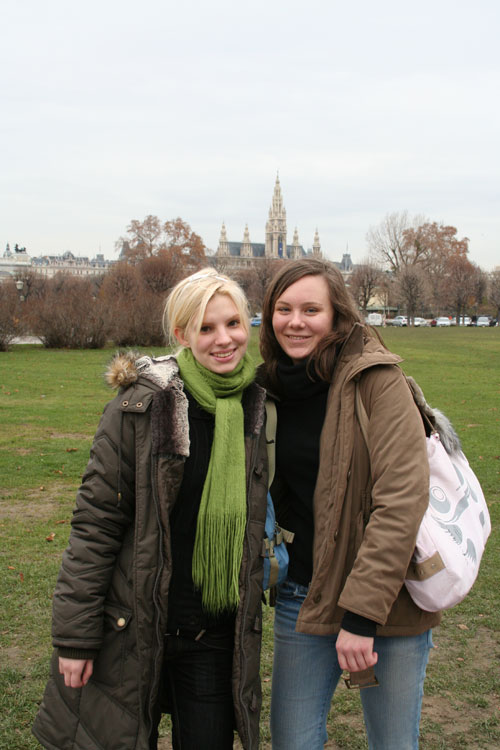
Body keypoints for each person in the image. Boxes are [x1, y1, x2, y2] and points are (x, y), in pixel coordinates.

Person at [33, 268, 269, 750]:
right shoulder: (142, 408)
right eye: (206, 328)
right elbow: (95, 526)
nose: (224, 339)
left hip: (213, 632)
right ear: (182, 334)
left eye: (233, 323)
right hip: (135, 629)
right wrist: (75, 639)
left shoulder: (260, 407)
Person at [257, 258, 442, 750]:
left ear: (338, 315)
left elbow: (401, 500)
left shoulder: (378, 380)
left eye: (311, 309)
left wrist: (361, 617)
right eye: (284, 308)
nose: (295, 322)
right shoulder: (266, 387)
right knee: (292, 740)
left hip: (387, 605)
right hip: (305, 594)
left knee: (393, 743)